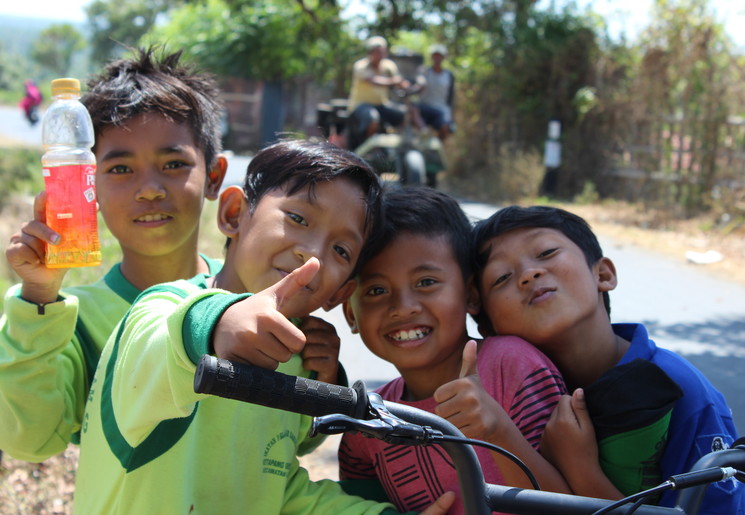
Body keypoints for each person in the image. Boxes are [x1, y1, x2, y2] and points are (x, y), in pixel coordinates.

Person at [72, 140, 454, 515]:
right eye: (298, 219)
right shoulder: (162, 308)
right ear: (234, 213)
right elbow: (168, 339)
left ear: (340, 293)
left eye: (341, 251)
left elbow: (274, 489)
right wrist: (221, 323)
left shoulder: (293, 358)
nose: (314, 254)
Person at [0, 47, 228, 463]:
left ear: (213, 177)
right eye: (121, 170)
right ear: (90, 188)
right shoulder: (71, 323)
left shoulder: (245, 294)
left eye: (174, 164)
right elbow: (28, 441)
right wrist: (37, 298)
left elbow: (298, 437)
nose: (150, 189)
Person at [470, 205, 744, 512]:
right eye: (502, 277)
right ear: (487, 329)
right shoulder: (498, 403)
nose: (528, 274)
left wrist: (579, 467)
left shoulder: (679, 389)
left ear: (603, 273)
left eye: (546, 252)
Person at [339, 187, 570, 514]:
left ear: (471, 293)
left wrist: (498, 430)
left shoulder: (512, 367)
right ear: (351, 314)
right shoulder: (365, 426)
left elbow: (574, 503)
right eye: (377, 290)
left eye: (426, 282)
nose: (403, 308)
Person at [347, 36, 410, 149]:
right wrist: (393, 81)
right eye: (376, 52)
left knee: (403, 114)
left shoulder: (388, 66)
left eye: (381, 52)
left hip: (381, 104)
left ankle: (401, 146)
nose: (379, 55)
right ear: (370, 53)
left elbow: (398, 80)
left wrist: (405, 85)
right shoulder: (360, 66)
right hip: (360, 105)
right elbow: (374, 81)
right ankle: (369, 147)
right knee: (373, 118)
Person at [414, 44, 455, 142]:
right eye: (435, 55)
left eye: (439, 55)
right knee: (413, 109)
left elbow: (452, 96)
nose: (437, 58)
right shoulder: (424, 71)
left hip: (441, 109)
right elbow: (419, 82)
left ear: (444, 57)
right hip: (425, 106)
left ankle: (438, 146)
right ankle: (423, 133)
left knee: (445, 128)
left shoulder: (449, 75)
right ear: (431, 57)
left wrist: (452, 114)